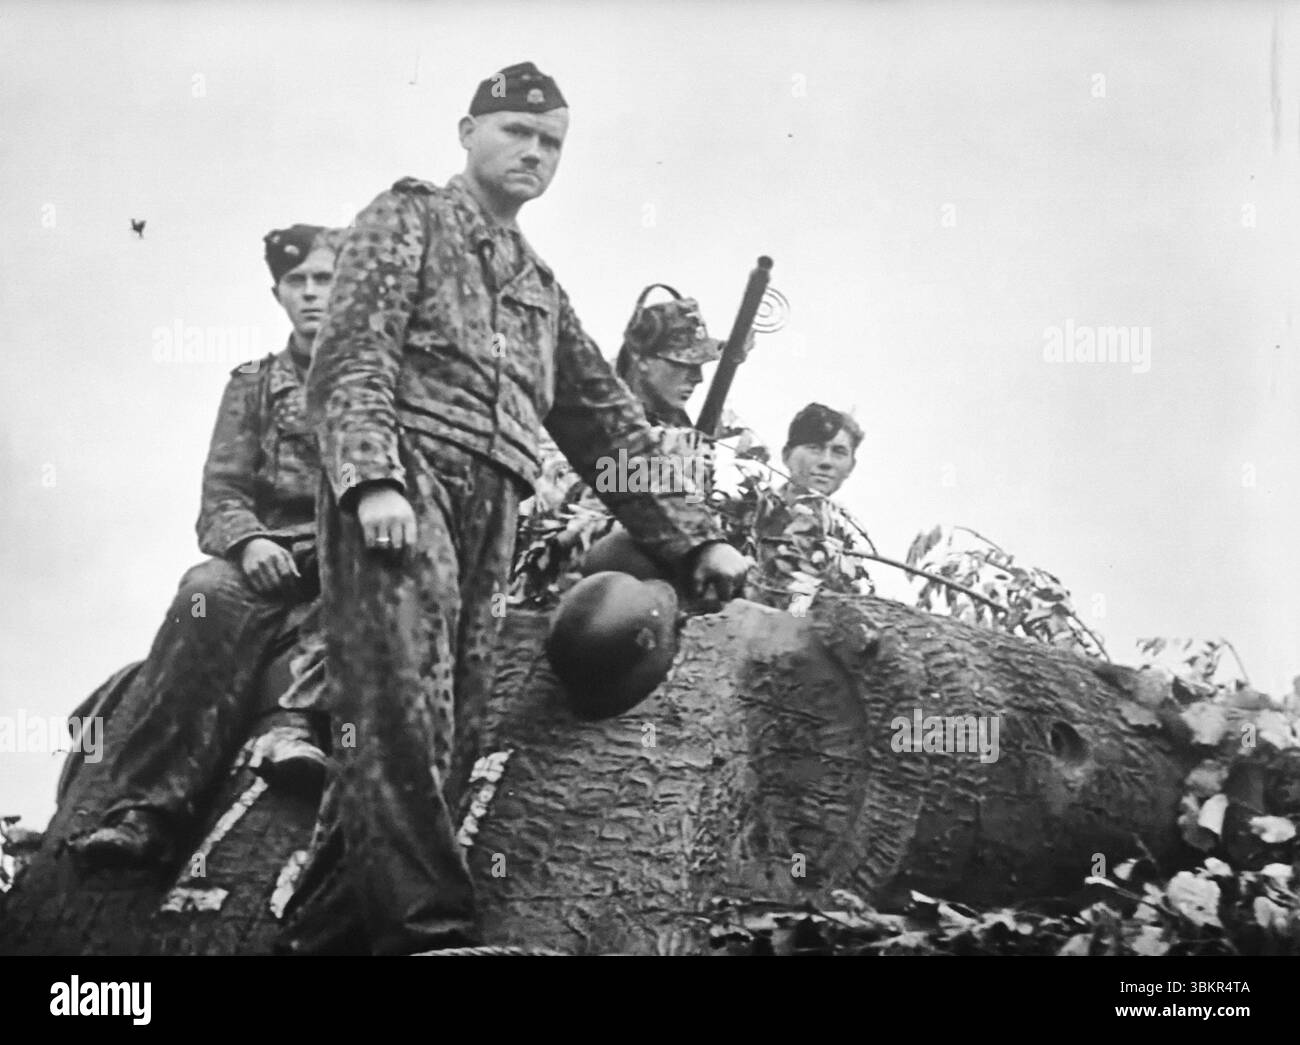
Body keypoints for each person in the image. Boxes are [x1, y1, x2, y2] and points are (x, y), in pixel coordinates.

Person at [285, 61, 749, 956]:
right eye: (516, 133)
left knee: (449, 729)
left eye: (551, 144)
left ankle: (318, 937)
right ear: (467, 132)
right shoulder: (405, 217)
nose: (533, 152)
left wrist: (698, 543)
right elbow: (350, 357)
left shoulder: (539, 287)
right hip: (405, 482)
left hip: (491, 504)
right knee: (400, 708)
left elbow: (609, 427)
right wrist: (373, 476)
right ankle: (434, 930)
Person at [69, 225, 339, 869]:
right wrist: (247, 543)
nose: (311, 295)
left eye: (325, 280)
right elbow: (221, 492)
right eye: (296, 283)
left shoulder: (387, 379)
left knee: (378, 591)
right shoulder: (252, 384)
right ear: (277, 294)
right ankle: (145, 810)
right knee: (203, 595)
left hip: (349, 551)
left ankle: (294, 726)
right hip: (268, 551)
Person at [511, 285, 732, 603]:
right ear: (641, 359)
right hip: (566, 590)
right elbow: (575, 522)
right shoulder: (586, 426)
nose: (697, 378)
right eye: (681, 364)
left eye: (700, 366)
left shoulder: (683, 436)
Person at [745, 402, 875, 613]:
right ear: (786, 455)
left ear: (851, 466)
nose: (826, 462)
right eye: (814, 448)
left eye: (839, 452)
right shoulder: (755, 511)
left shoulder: (843, 534)